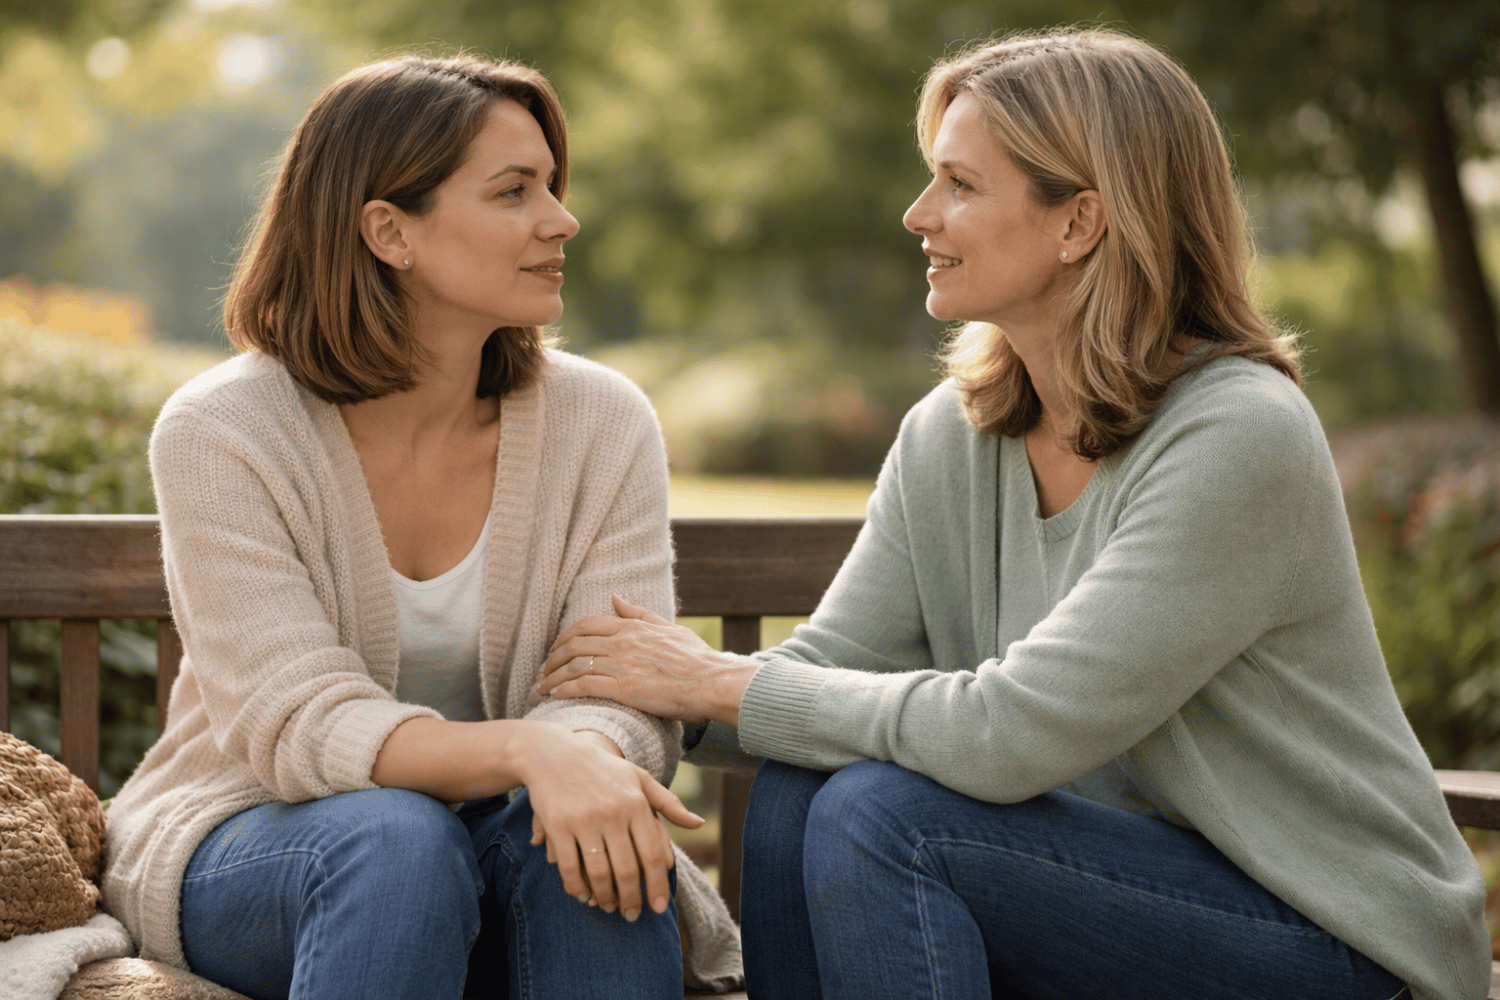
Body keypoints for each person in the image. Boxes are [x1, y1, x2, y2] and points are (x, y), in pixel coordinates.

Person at [538, 27, 1492, 1000]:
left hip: (1332, 937)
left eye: (959, 184)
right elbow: (824, 675)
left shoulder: (1239, 435)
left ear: (1079, 221)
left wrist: (714, 683)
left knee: (880, 813)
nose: (918, 214)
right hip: (1097, 897)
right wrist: (623, 697)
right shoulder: (955, 434)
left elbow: (1014, 731)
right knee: (800, 783)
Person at [100, 54, 740, 1000]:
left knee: (588, 851)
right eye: (515, 191)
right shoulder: (223, 431)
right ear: (389, 231)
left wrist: (576, 759)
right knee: (398, 837)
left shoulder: (601, 421)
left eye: (553, 188)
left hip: (513, 836)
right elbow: (299, 725)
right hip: (262, 840)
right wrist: (531, 749)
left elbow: (623, 680)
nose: (561, 221)